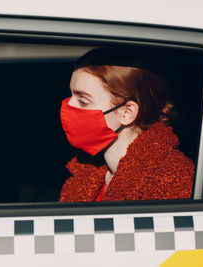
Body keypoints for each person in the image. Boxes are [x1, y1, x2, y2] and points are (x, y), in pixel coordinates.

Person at [59, 48, 194, 202]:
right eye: (71, 95)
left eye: (83, 101)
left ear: (126, 112)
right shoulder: (88, 171)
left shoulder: (172, 182)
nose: (69, 104)